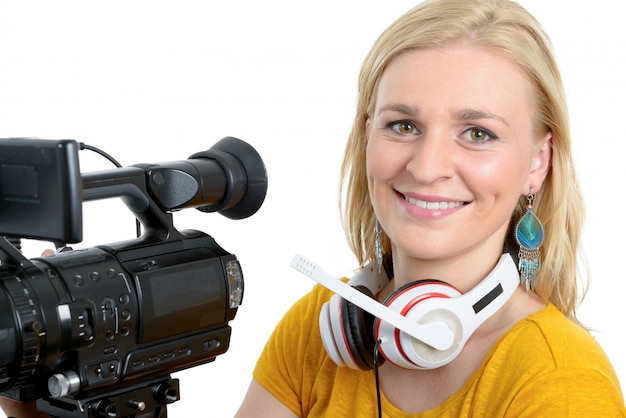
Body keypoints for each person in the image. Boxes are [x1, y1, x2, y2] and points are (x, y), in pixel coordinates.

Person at [234, 0, 625, 416]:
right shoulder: (316, 327)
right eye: (404, 126)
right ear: (369, 137)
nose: (426, 167)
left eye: (478, 133)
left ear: (537, 163)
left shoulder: (560, 380)